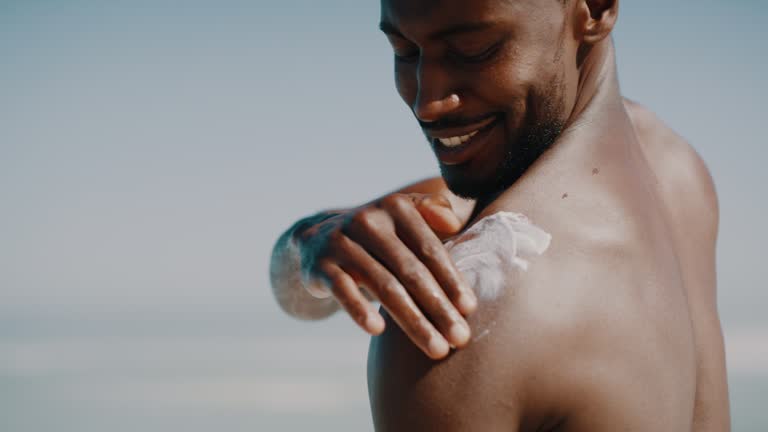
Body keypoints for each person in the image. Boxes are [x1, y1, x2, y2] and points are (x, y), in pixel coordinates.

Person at [269, 0, 730, 430]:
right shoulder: (676, 170)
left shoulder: (461, 313)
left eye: (474, 50)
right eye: (404, 51)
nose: (427, 101)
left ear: (594, 8)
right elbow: (307, 293)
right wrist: (308, 243)